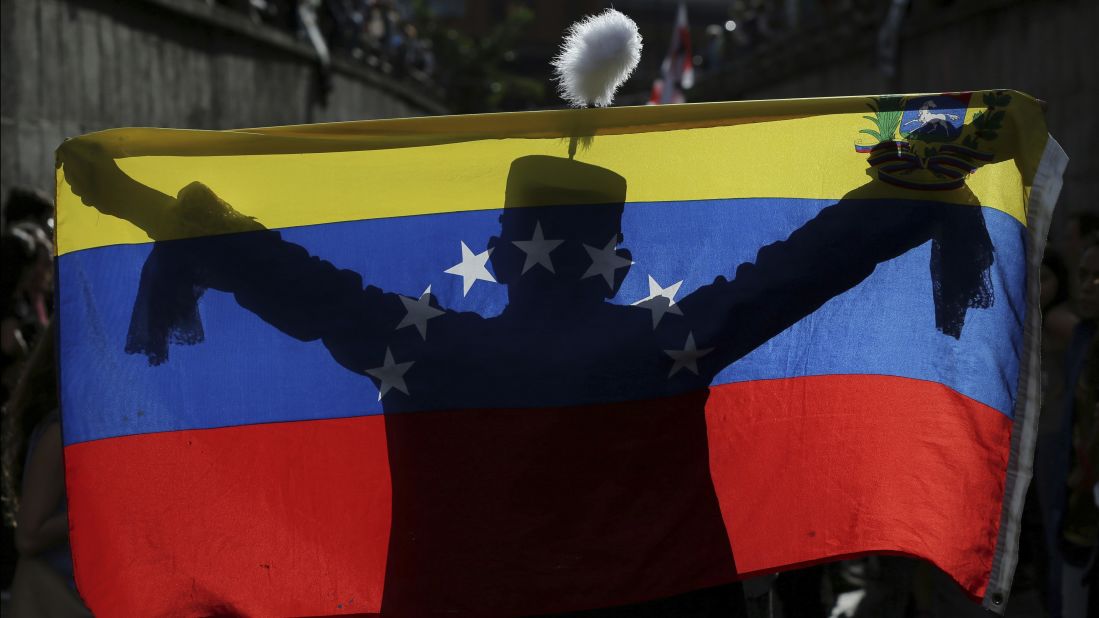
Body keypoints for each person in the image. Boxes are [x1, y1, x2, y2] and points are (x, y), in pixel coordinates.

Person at [60, 144, 997, 615]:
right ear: (619, 264)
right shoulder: (668, 340)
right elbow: (807, 261)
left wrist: (138, 200)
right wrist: (923, 172)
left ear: (503, 260)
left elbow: (279, 274)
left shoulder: (422, 350)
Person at [2, 323, 90, 617]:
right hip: (55, 594)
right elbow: (28, 536)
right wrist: (93, 513)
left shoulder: (78, 427)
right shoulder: (59, 431)